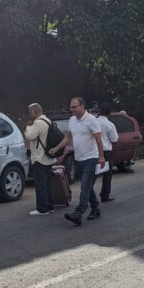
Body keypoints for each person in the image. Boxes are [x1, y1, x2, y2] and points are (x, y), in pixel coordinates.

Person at [50, 97, 105, 226]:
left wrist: (101, 156)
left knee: (85, 185)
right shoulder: (72, 120)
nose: (72, 109)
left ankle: (78, 212)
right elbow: (68, 137)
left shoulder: (92, 120)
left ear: (82, 106)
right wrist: (57, 148)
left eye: (74, 107)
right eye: (71, 107)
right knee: (88, 186)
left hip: (91, 158)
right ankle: (95, 209)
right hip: (78, 158)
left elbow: (98, 140)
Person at [24, 103, 54, 216]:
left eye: (30, 112)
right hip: (48, 158)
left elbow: (29, 136)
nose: (29, 114)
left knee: (40, 184)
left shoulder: (38, 123)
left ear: (35, 111)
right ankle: (50, 206)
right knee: (48, 184)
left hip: (39, 158)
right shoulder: (47, 120)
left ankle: (42, 208)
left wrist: (27, 126)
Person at [96, 102, 119, 202]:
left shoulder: (94, 122)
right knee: (107, 174)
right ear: (109, 112)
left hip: (94, 151)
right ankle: (105, 195)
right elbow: (114, 139)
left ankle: (87, 193)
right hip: (106, 151)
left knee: (93, 174)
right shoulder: (109, 124)